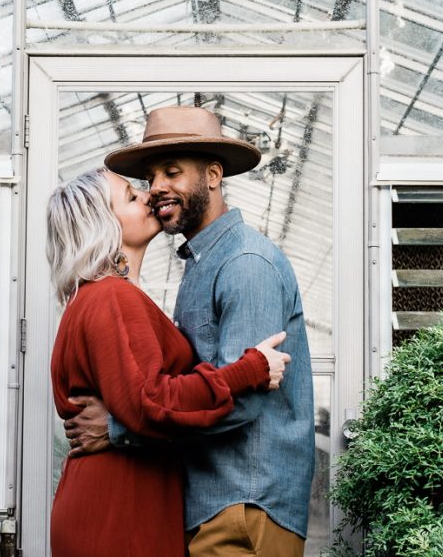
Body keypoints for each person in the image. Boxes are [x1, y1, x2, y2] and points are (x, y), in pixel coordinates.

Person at [65, 106, 315, 557]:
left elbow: (243, 402)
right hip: (213, 504)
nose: (157, 187)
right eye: (151, 175)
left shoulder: (244, 264)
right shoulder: (198, 266)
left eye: (173, 171)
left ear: (214, 175)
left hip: (244, 503)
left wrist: (119, 428)